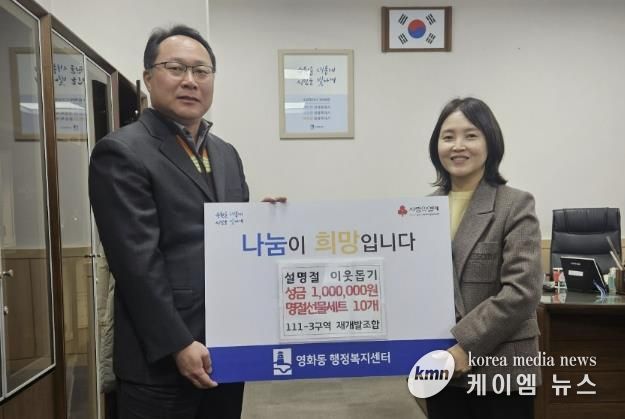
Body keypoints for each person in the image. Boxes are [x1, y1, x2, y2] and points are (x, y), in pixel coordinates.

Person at [89, 25, 284, 419]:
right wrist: (178, 343)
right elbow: (136, 264)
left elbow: (229, 238)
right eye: (176, 68)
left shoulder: (225, 153)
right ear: (148, 77)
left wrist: (260, 222)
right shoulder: (122, 151)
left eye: (202, 71)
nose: (191, 81)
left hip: (226, 350)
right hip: (161, 360)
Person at [425, 97, 542, 419]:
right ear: (436, 146)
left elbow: (522, 291)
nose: (458, 146)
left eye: (471, 135)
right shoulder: (421, 210)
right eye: (448, 137)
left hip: (502, 367)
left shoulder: (515, 204)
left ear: (491, 142)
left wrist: (466, 346)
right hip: (439, 366)